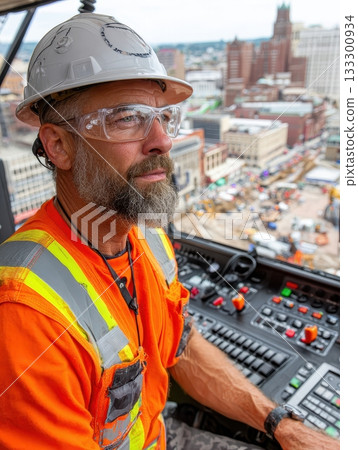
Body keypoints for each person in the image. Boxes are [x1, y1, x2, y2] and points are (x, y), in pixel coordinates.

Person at [0, 13, 339, 450]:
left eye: (163, 117)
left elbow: (181, 347)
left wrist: (280, 424)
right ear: (59, 145)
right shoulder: (25, 313)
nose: (161, 139)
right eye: (126, 118)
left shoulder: (148, 238)